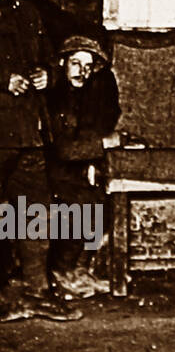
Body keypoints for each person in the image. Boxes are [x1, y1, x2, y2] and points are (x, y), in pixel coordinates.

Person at [0, 0, 80, 322]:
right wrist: (2, 80)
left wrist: (50, 75)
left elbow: (51, 61)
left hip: (30, 133)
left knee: (33, 212)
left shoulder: (28, 12)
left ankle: (36, 290)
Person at [46, 35, 122, 299]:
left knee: (104, 204)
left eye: (88, 66)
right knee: (83, 205)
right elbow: (65, 149)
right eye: (76, 63)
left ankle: (79, 269)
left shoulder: (85, 97)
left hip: (72, 174)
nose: (82, 71)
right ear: (62, 63)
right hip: (50, 174)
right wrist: (104, 143)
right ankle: (61, 271)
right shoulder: (54, 98)